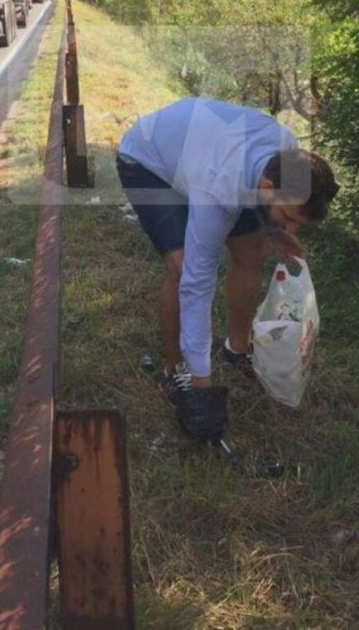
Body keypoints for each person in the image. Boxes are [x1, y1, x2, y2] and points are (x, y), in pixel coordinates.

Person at [116, 97, 339, 442]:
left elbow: (269, 211)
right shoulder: (219, 187)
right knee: (183, 266)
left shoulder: (289, 156)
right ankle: (177, 370)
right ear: (267, 188)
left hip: (206, 151)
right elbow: (197, 286)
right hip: (149, 158)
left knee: (252, 250)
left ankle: (237, 347)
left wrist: (277, 230)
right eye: (288, 219)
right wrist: (203, 382)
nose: (292, 230)